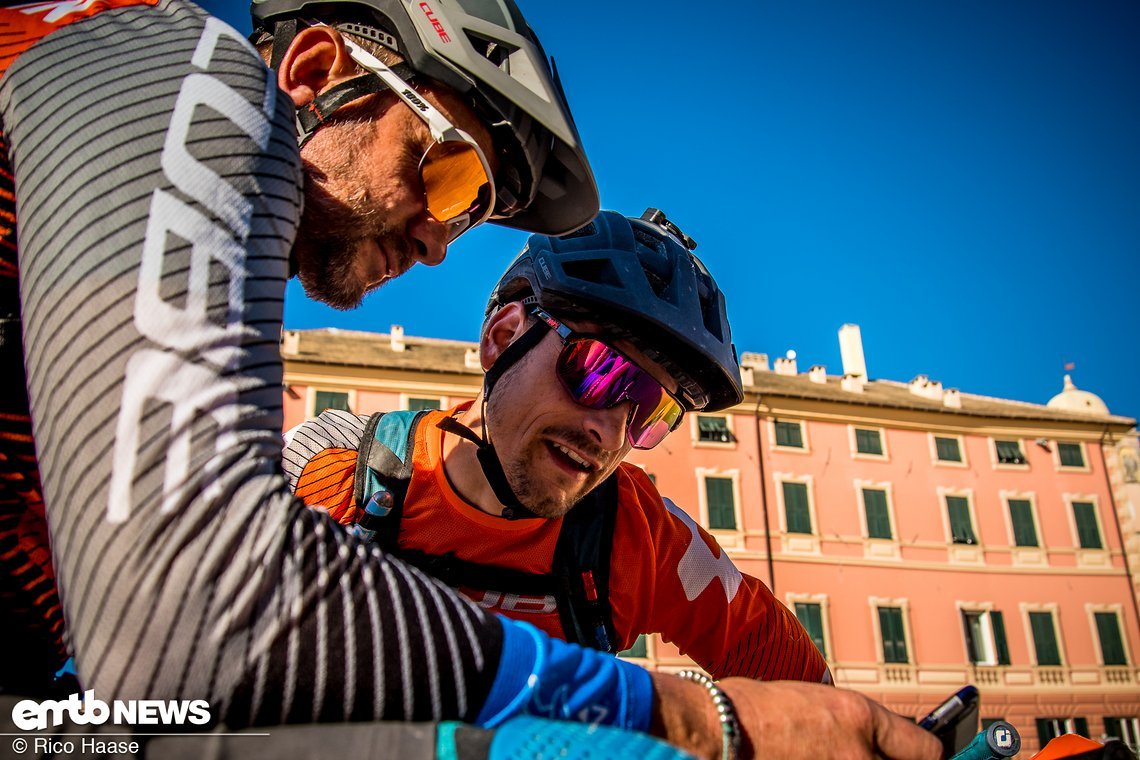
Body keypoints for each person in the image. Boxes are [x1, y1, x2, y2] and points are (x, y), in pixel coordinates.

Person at [0, 0, 940, 757]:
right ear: (319, 69)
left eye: (647, 409)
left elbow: (94, 717)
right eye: (446, 179)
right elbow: (186, 613)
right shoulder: (177, 65)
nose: (438, 247)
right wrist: (693, 724)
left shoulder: (636, 534)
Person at [285, 208, 831, 684]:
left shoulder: (637, 533)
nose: (613, 435)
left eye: (650, 411)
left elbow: (810, 696)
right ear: (503, 337)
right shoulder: (335, 466)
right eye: (600, 372)